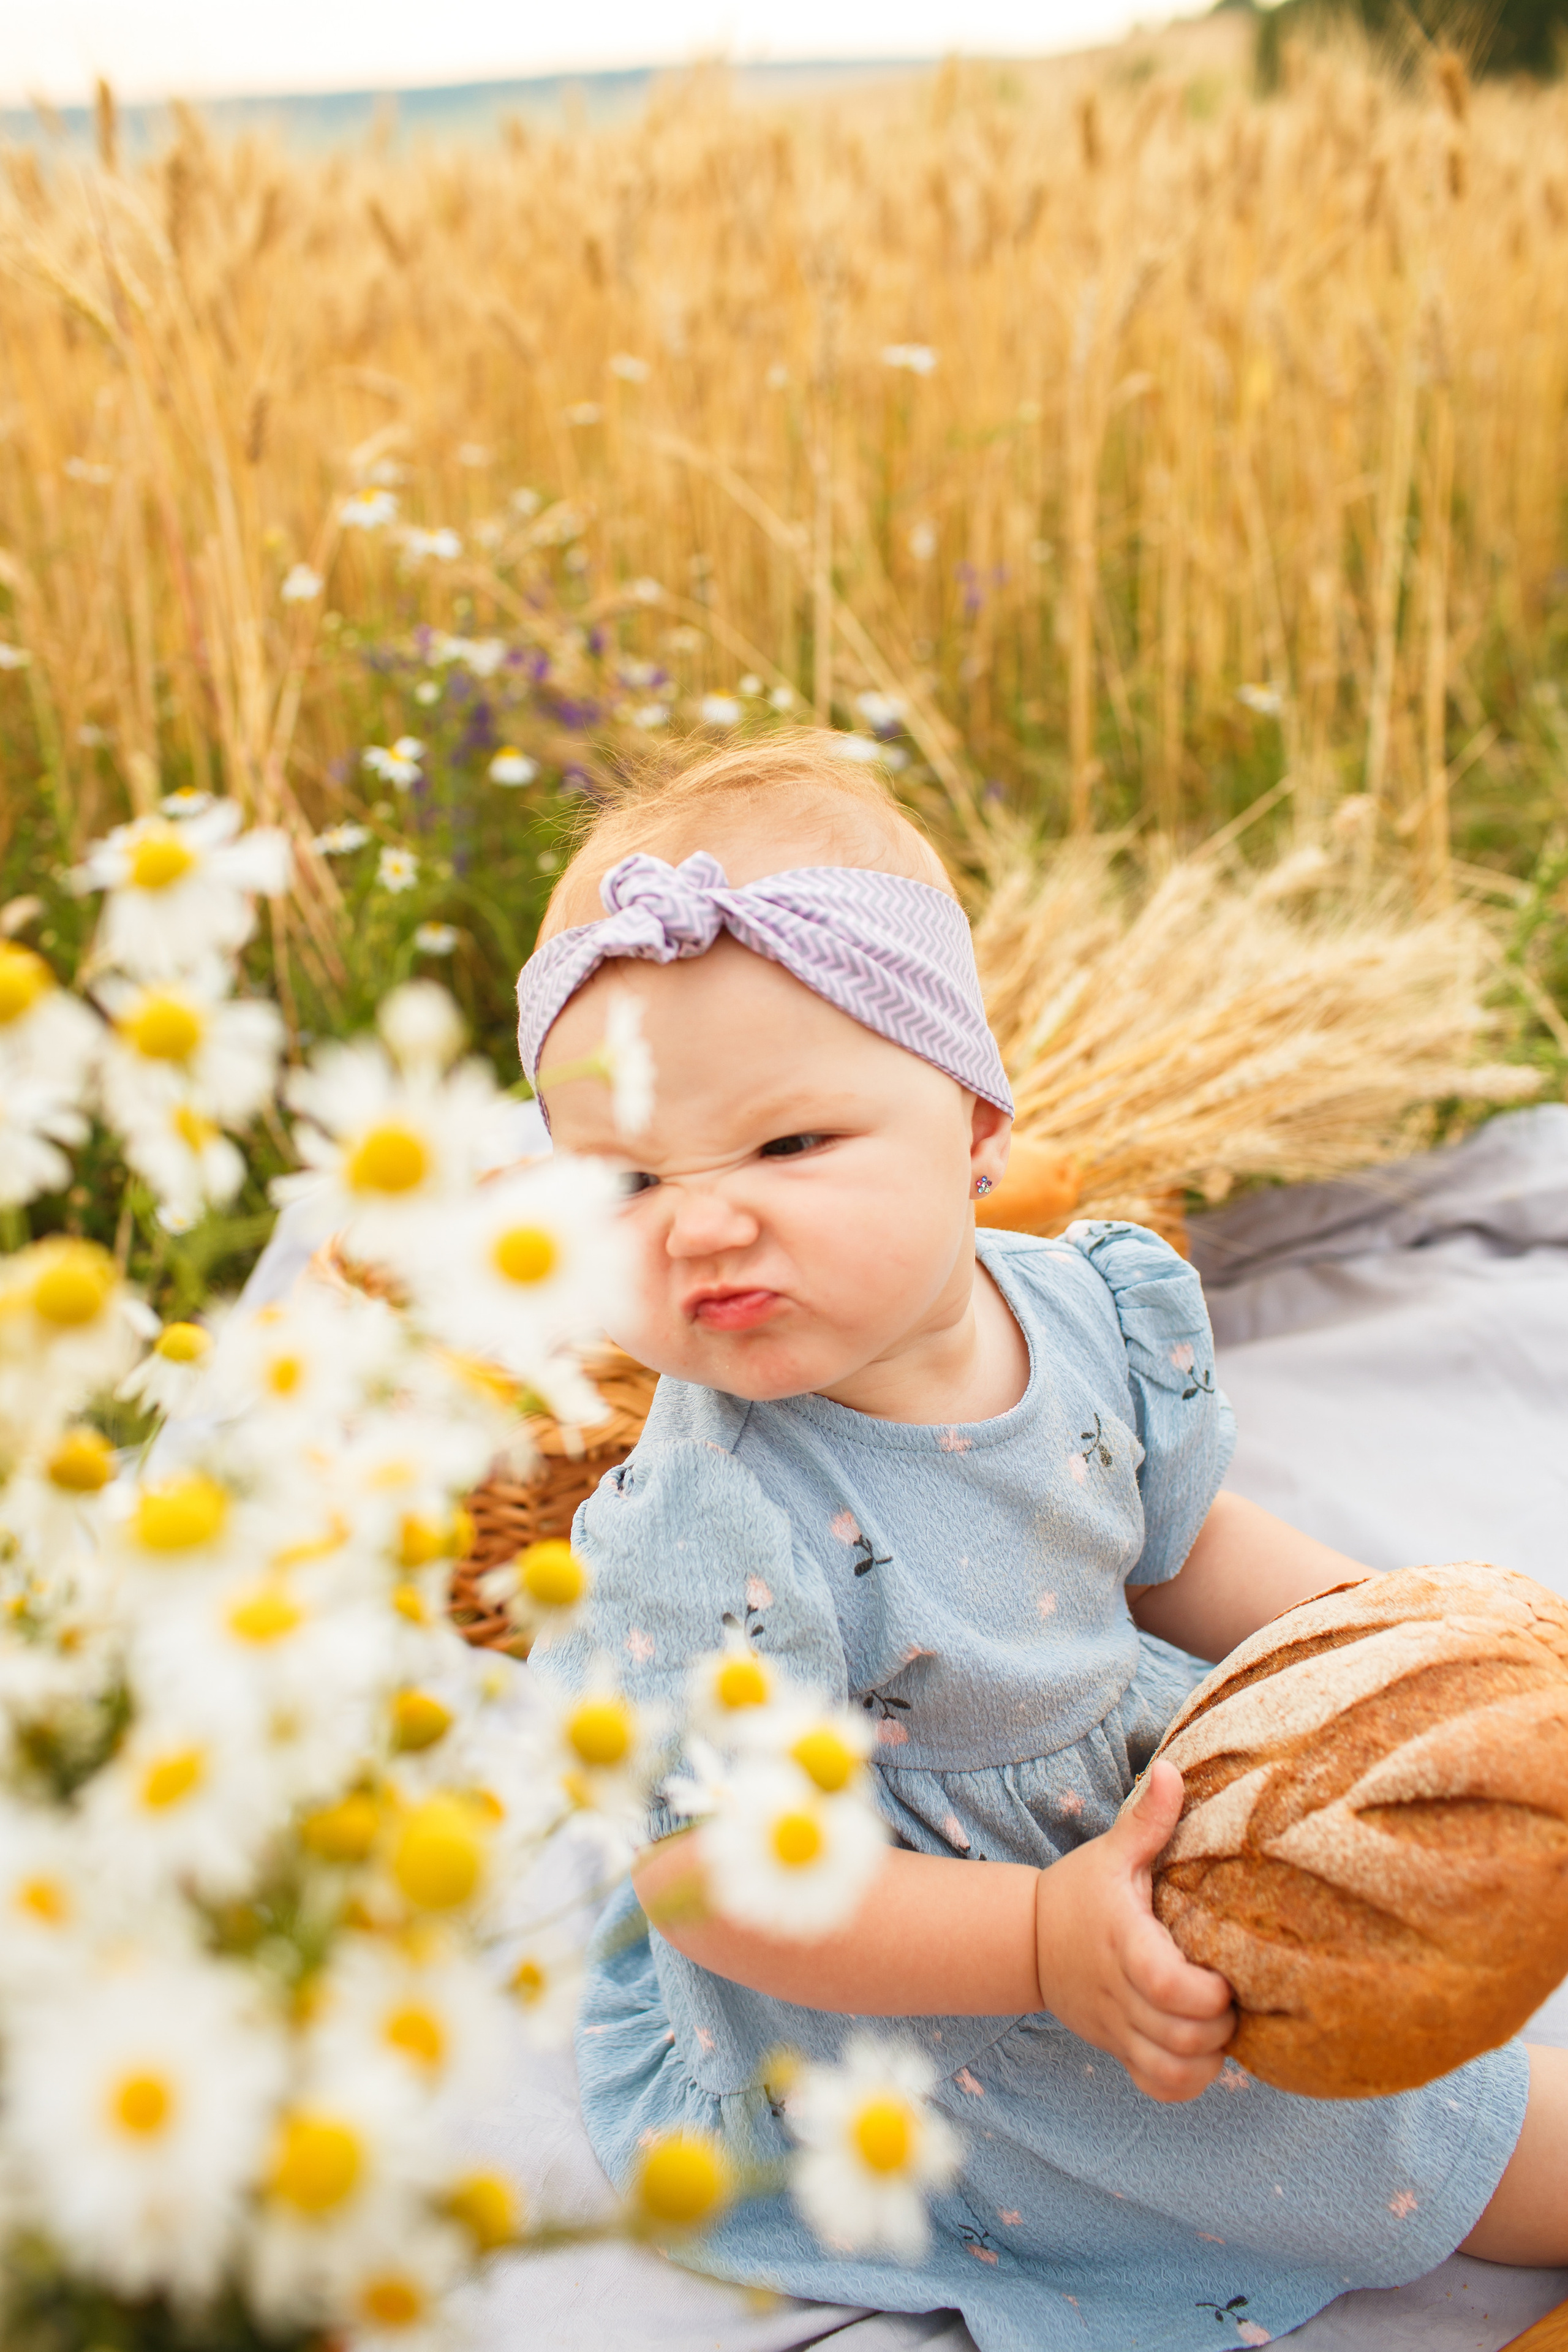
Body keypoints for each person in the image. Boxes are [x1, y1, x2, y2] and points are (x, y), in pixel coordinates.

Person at [520, 732, 1567, 2352]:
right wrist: (1036, 1941)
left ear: (975, 1123)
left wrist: (1395, 1639)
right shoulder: (707, 1521)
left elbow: (1171, 1544)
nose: (702, 1219)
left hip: (1112, 1784)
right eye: (631, 1179)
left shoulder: (1085, 1308)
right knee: (1385, 2128)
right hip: (930, 1976)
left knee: (1437, 1869)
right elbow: (716, 1882)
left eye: (790, 1146)